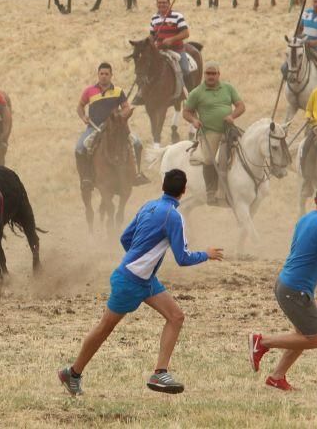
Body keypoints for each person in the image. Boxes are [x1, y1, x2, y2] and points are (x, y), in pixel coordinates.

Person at [58, 169, 224, 396]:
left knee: (176, 316)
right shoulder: (174, 217)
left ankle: (160, 373)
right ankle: (72, 373)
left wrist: (139, 259)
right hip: (130, 281)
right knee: (104, 328)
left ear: (163, 186)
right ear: (184, 191)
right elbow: (183, 258)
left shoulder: (148, 206)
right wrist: (206, 254)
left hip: (144, 279)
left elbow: (125, 238)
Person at [248, 181, 317, 391]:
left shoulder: (305, 219)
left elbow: (302, 252)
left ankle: (276, 377)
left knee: (302, 335)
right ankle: (262, 342)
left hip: (286, 283)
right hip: (295, 289)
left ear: (315, 200)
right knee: (314, 338)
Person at [75, 63, 149, 188]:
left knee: (137, 143)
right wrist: (83, 117)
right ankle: (86, 178)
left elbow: (126, 107)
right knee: (80, 148)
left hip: (115, 128)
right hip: (94, 127)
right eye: (101, 74)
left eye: (106, 74)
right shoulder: (89, 91)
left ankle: (136, 174)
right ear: (98, 75)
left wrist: (120, 115)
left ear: (111, 76)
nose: (104, 76)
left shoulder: (118, 91)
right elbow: (80, 106)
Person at [182, 63, 245, 205]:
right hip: (210, 131)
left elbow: (241, 106)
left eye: (213, 73)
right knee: (209, 159)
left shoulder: (228, 88)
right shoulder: (197, 92)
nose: (210, 76)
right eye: (208, 73)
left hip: (229, 129)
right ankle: (211, 191)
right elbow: (186, 112)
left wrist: (232, 116)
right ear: (204, 74)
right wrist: (194, 120)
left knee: (245, 151)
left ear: (218, 74)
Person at [149, 0, 193, 89]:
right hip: (160, 50)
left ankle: (190, 93)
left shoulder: (177, 16)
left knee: (185, 69)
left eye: (164, 2)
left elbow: (186, 33)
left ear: (169, 4)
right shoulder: (154, 18)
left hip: (177, 50)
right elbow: (152, 35)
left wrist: (171, 39)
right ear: (156, 4)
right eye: (159, 2)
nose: (162, 4)